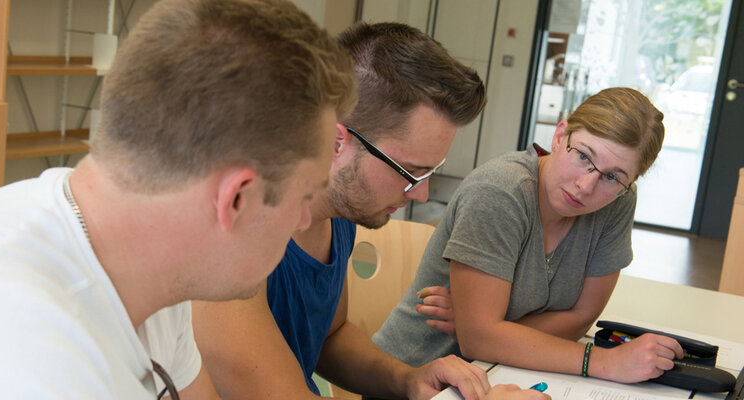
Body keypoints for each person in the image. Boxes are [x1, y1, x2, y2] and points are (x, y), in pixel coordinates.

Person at [0, 0, 359, 397]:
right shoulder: (21, 359)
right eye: (305, 196)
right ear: (236, 198)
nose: (304, 220)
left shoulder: (152, 267)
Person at [192, 22, 549, 400]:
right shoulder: (230, 230)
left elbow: (329, 336)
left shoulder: (342, 210)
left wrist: (408, 379)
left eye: (429, 172)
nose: (422, 193)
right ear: (336, 142)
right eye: (409, 172)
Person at [372, 87, 685, 384]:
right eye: (583, 157)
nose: (586, 185)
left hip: (507, 375)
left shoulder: (618, 202)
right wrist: (606, 362)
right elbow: (479, 341)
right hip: (413, 381)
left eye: (613, 177)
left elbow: (581, 317)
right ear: (560, 135)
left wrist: (496, 333)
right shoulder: (499, 192)